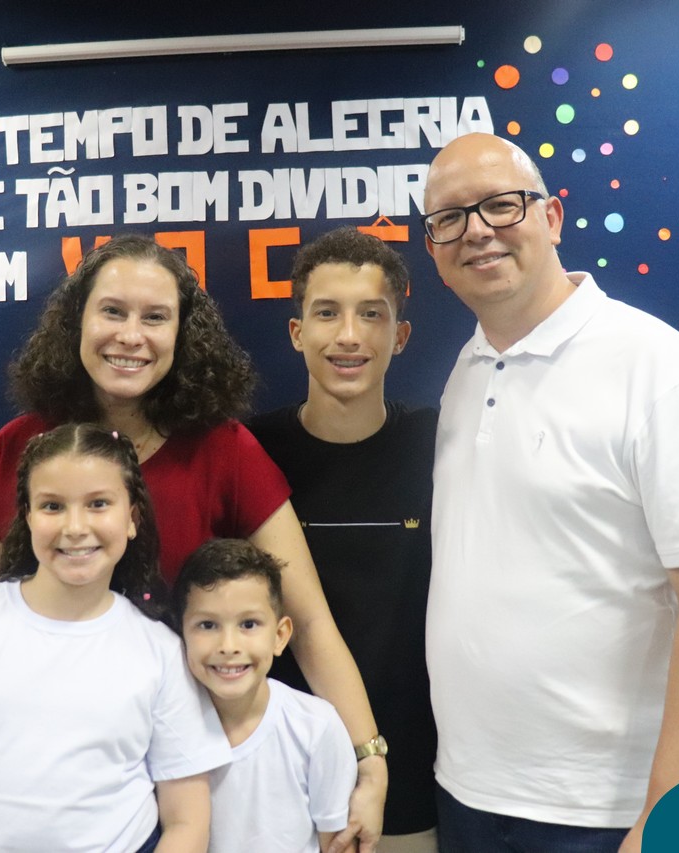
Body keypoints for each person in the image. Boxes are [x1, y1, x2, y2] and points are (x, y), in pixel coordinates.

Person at [0, 234, 387, 851]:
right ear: (77, 321)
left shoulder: (225, 450)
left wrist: (369, 758)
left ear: (183, 333)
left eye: (155, 317)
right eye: (112, 311)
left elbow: (308, 621)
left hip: (187, 772)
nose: (131, 336)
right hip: (42, 768)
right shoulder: (20, 447)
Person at [421, 132, 679, 853]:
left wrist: (667, 819)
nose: (476, 230)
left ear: (551, 218)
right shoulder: (467, 371)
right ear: (433, 249)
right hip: (467, 791)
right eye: (449, 218)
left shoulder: (658, 369)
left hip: (608, 812)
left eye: (500, 205)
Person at [0, 424, 229, 853]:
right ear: (27, 516)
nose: (75, 527)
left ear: (132, 518)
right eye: (52, 506)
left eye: (98, 504)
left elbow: (187, 820)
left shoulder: (160, 651)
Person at [246, 227, 438, 853]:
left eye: (371, 315)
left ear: (400, 336)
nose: (349, 335)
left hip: (413, 775)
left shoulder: (443, 443)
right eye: (326, 313)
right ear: (297, 332)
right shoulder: (249, 452)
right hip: (276, 780)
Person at [173, 538, 357, 853]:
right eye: (207, 625)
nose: (228, 646)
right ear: (181, 634)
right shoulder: (170, 727)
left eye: (248, 624)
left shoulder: (317, 727)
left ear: (280, 635)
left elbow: (336, 844)